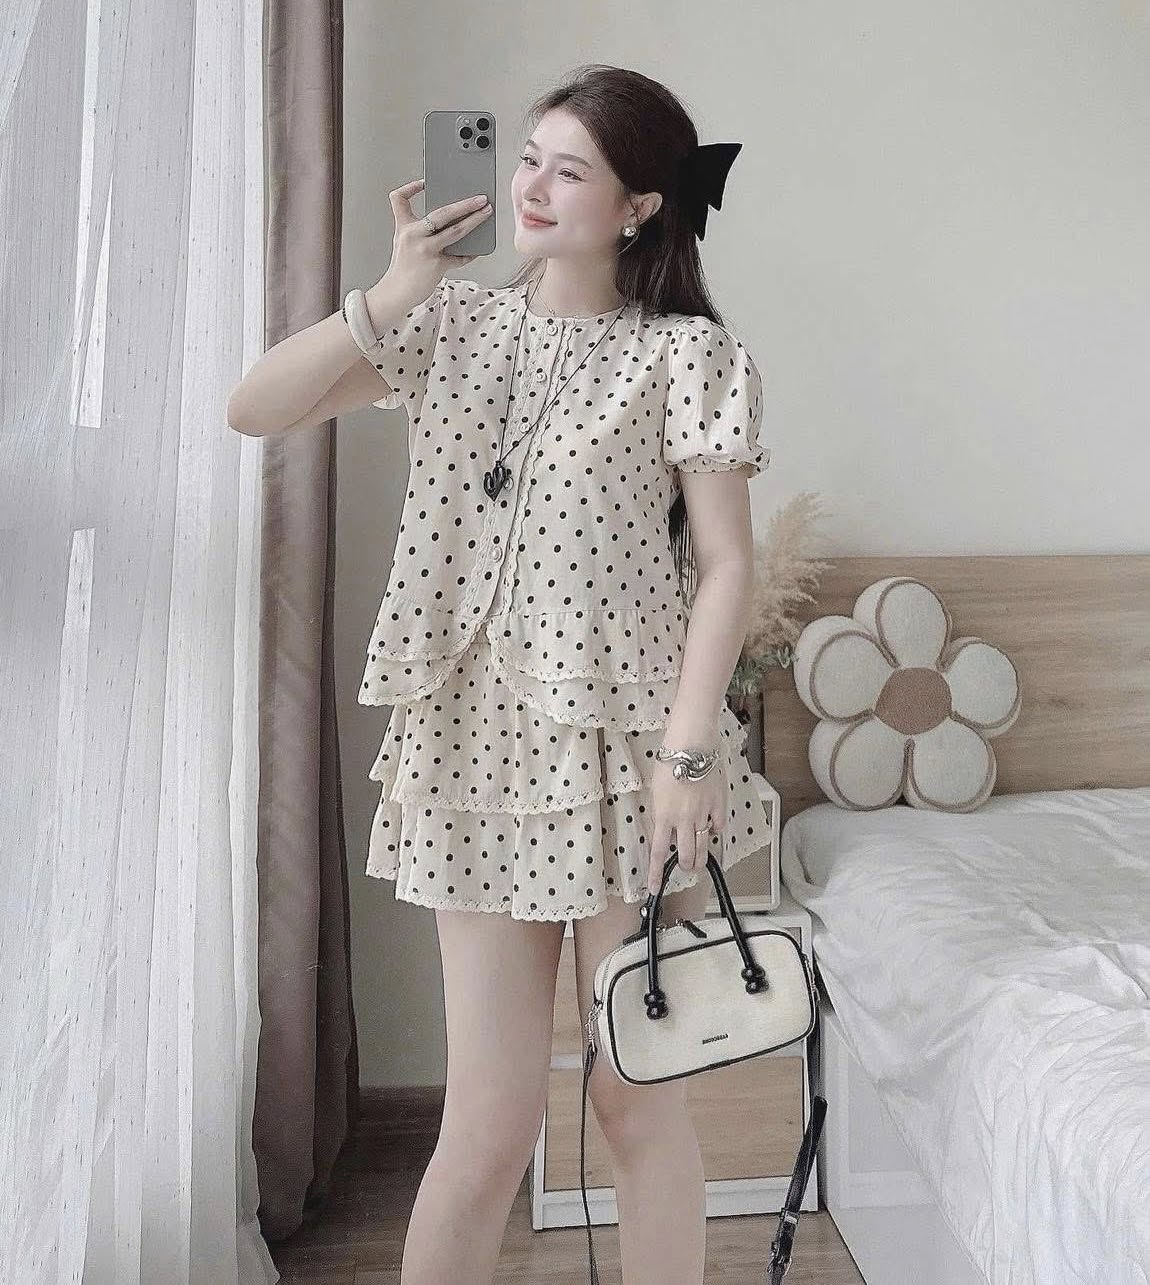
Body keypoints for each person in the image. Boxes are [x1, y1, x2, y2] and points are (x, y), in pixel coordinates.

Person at [228, 63, 773, 1285]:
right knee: (486, 1120)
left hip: (632, 759)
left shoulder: (684, 357)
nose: (530, 185)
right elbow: (255, 410)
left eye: (567, 170)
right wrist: (393, 289)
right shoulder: (452, 327)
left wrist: (687, 756)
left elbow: (727, 566)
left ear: (637, 207)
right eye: (527, 157)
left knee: (637, 1098)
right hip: (473, 757)